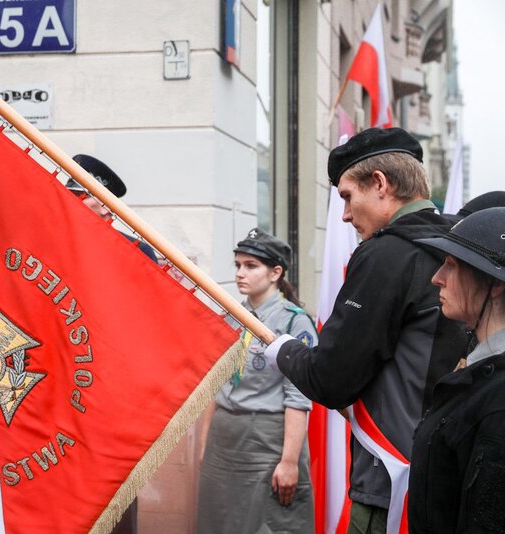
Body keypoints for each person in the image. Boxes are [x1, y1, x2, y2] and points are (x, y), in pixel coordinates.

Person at [263, 127, 467, 533]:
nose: (344, 215)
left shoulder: (386, 253)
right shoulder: (458, 246)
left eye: (347, 197)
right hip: (445, 474)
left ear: (380, 184)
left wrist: (281, 348)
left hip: (389, 484)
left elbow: (331, 378)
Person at [197, 228, 316, 534]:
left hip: (265, 440)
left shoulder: (293, 322)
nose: (240, 273)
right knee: (218, 523)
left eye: (251, 266)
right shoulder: (232, 317)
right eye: (238, 265)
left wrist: (289, 461)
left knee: (267, 523)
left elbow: (298, 398)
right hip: (224, 440)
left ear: (276, 272)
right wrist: (204, 445)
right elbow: (216, 385)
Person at [65, 154, 154, 534]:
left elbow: (149, 329)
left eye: (79, 194)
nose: (67, 201)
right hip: (56, 397)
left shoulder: (135, 251)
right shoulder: (50, 244)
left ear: (103, 202)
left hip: (111, 401)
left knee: (112, 506)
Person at [408, 207, 505, 532]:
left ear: (494, 284)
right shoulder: (483, 371)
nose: (437, 277)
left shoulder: (498, 400)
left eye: (451, 265)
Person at [66, 154, 158, 262]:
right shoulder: (58, 237)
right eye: (70, 194)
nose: (71, 200)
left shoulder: (137, 252)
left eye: (81, 196)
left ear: (106, 205)